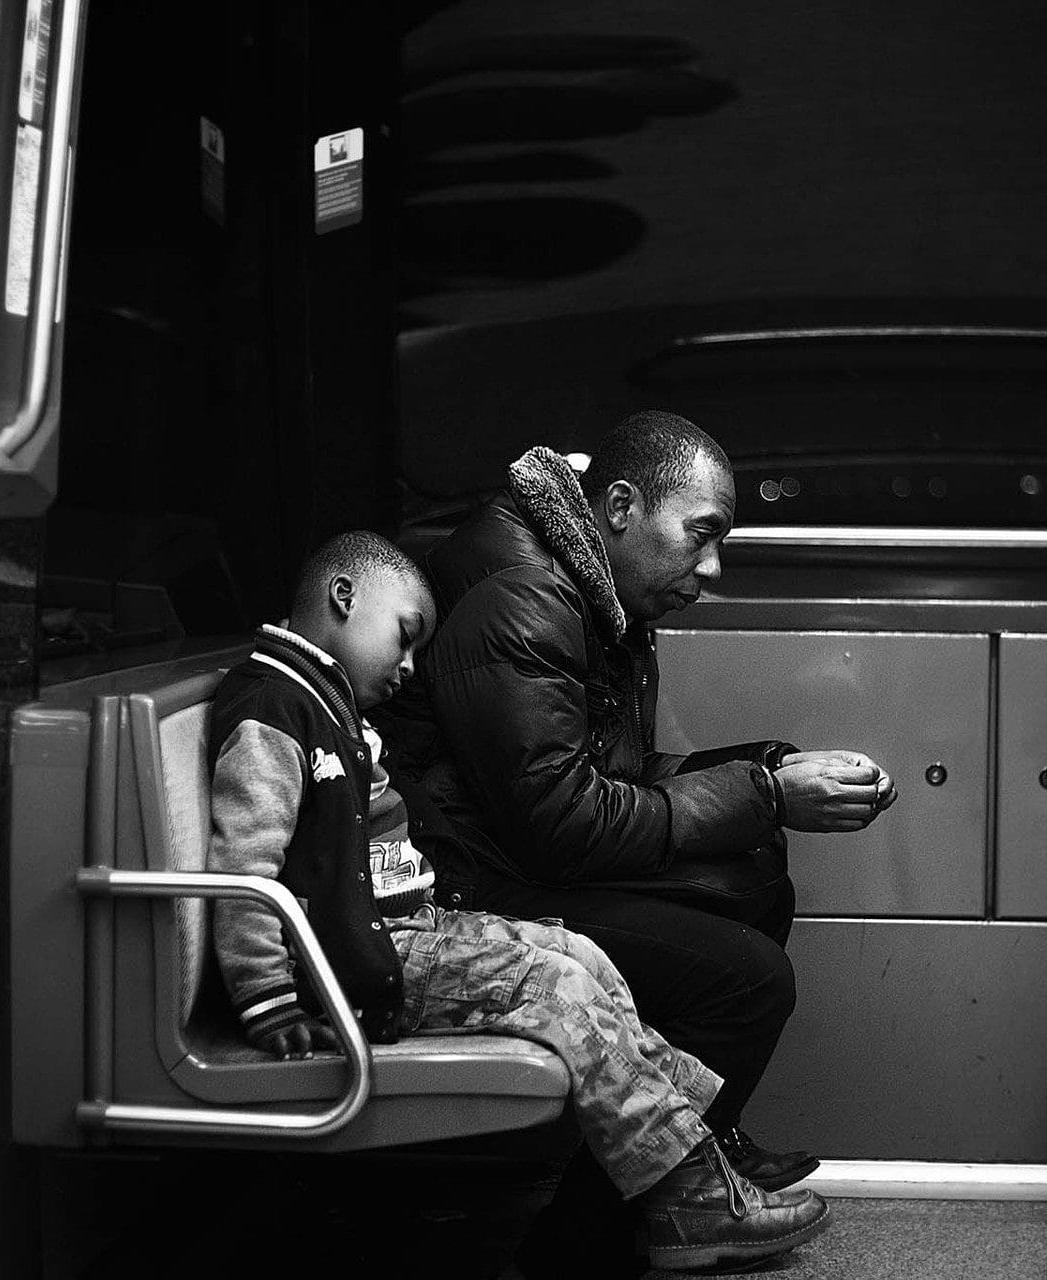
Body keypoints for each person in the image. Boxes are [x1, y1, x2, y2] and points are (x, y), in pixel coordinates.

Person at [206, 530, 832, 1273]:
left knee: (579, 952)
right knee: (557, 984)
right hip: (352, 967)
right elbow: (246, 869)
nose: (408, 670)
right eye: (405, 638)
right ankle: (688, 1191)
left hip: (406, 932)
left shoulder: (327, 705)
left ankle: (690, 1157)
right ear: (344, 598)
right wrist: (267, 999)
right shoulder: (273, 709)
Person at [372, 410, 895, 1272]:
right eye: (700, 536)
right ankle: (595, 1236)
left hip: (509, 848)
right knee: (747, 980)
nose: (713, 567)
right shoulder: (525, 597)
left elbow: (614, 769)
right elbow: (564, 827)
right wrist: (764, 792)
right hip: (463, 885)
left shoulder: (590, 583)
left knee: (754, 876)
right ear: (619, 506)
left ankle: (700, 1146)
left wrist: (771, 771)